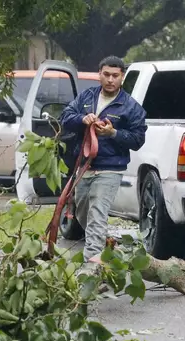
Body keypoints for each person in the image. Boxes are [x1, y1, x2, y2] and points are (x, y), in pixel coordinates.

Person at [59, 56, 148, 265]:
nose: (110, 80)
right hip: (84, 167)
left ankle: (92, 267)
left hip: (110, 170)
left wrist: (113, 133)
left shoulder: (131, 107)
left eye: (115, 76)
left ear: (122, 77)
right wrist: (82, 119)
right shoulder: (86, 97)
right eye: (106, 74)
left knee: (97, 213)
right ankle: (107, 246)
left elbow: (137, 140)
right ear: (99, 74)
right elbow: (65, 117)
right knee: (82, 214)